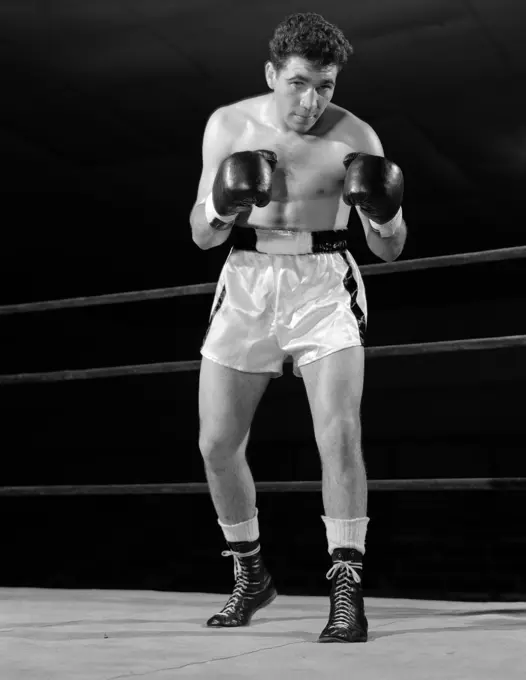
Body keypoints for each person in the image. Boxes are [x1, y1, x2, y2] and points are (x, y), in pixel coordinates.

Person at [189, 12, 406, 643]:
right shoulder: (228, 125)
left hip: (324, 284)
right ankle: (250, 574)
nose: (312, 101)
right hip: (247, 278)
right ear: (271, 74)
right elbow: (203, 235)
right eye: (300, 83)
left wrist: (385, 217)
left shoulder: (357, 136)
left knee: (339, 436)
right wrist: (223, 203)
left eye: (326, 86)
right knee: (215, 445)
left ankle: (346, 591)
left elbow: (389, 248)